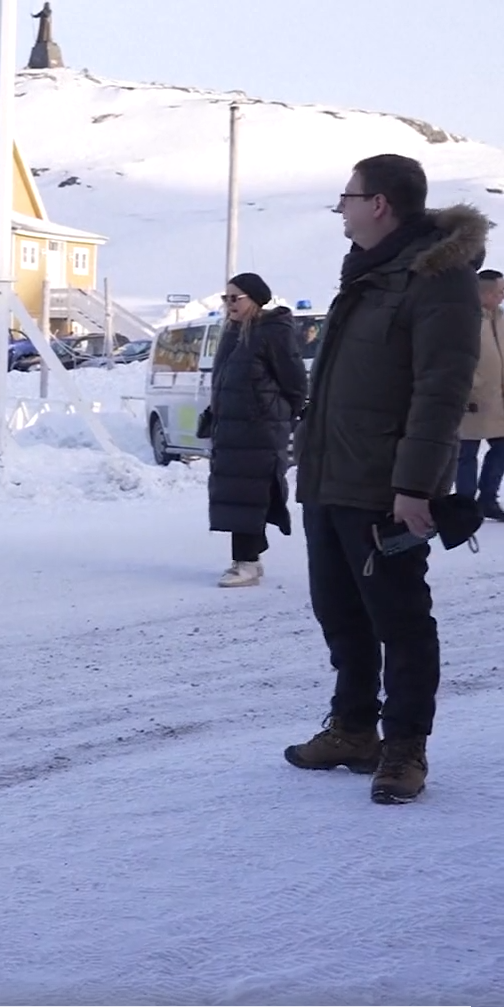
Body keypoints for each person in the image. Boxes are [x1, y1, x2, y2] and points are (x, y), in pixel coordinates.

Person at [286, 154, 486, 805]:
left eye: (346, 196)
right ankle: (350, 728)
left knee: (399, 620)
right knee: (339, 613)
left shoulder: (436, 278)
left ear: (379, 204)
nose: (339, 208)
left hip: (382, 487)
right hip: (330, 478)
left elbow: (440, 389)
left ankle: (403, 747)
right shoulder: (370, 272)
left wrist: (414, 485)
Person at [204, 272, 308, 588]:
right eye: (226, 298)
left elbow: (294, 382)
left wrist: (276, 416)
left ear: (255, 299)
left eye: (235, 298)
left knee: (248, 493)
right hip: (233, 429)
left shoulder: (272, 332)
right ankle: (249, 559)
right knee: (239, 495)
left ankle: (246, 562)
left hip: (259, 431)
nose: (229, 304)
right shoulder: (233, 332)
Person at [454, 269, 504, 520]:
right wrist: (470, 386)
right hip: (472, 400)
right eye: (499, 292)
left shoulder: (500, 318)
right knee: (466, 453)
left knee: (501, 448)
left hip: (499, 400)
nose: (502, 296)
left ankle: (487, 499)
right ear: (484, 293)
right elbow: (455, 358)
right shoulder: (465, 319)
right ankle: (465, 505)